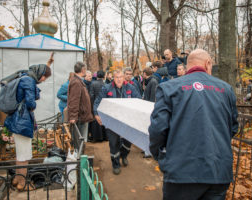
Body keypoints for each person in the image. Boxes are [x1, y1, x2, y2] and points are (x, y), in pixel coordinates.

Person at [149, 49, 239, 200]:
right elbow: (233, 127)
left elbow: (157, 129)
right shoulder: (226, 89)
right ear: (208, 63)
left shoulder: (169, 88)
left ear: (187, 66)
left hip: (180, 171)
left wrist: (160, 156)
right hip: (217, 171)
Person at [4, 53, 54, 191]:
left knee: (21, 152)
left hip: (17, 120)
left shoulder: (26, 76)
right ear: (40, 74)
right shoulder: (29, 81)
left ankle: (16, 179)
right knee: (24, 154)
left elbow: (37, 78)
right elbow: (31, 103)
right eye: (45, 76)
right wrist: (33, 105)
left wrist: (48, 65)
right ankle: (22, 183)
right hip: (22, 122)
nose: (43, 80)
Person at [93, 69, 141, 175]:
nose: (119, 79)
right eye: (116, 77)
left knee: (128, 141)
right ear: (113, 78)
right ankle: (115, 164)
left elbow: (139, 101)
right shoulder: (106, 88)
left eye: (120, 77)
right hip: (112, 121)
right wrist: (96, 114)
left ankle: (123, 155)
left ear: (124, 78)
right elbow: (97, 102)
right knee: (113, 143)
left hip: (127, 121)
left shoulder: (131, 88)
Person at [68, 62, 93, 142]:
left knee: (81, 141)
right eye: (85, 69)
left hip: (82, 116)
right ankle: (79, 154)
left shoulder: (78, 81)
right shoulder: (76, 82)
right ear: (83, 70)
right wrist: (73, 117)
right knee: (79, 142)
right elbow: (74, 101)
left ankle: (80, 153)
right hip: (79, 118)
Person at [89, 70, 107, 142]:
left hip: (96, 104)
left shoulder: (93, 84)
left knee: (95, 121)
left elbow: (91, 95)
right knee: (103, 120)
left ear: (97, 76)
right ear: (104, 76)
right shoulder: (105, 84)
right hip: (104, 105)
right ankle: (104, 137)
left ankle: (96, 137)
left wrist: (93, 104)